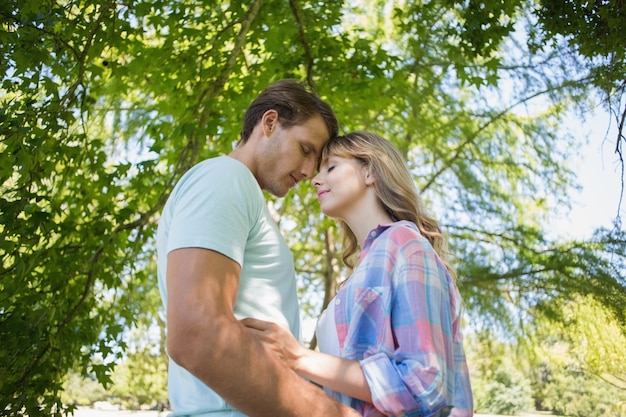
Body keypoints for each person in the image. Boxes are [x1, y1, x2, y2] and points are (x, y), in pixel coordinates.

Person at [156, 79, 360, 417]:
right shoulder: (225, 177)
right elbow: (196, 331)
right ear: (270, 123)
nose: (310, 172)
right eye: (305, 150)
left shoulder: (238, 191)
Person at [242, 131, 474, 417]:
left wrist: (299, 356)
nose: (315, 179)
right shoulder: (358, 274)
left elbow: (425, 383)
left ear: (370, 172)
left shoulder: (407, 246)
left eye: (331, 167)